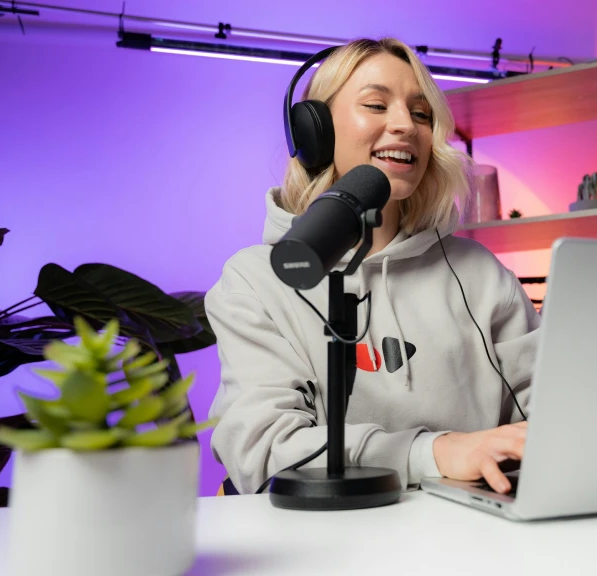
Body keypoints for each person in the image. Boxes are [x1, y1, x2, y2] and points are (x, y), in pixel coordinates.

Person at [205, 37, 540, 496]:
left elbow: (552, 409)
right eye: (376, 105)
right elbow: (262, 453)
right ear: (314, 133)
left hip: (478, 533)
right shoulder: (255, 281)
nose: (405, 125)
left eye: (421, 114)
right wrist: (435, 453)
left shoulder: (479, 273)